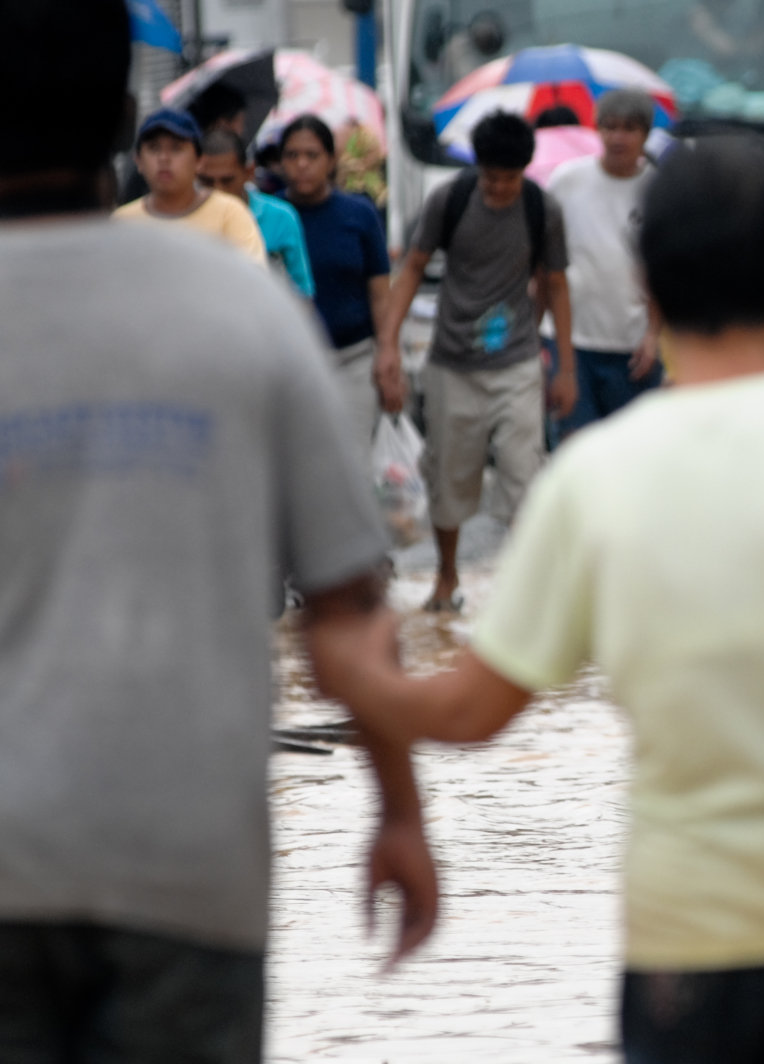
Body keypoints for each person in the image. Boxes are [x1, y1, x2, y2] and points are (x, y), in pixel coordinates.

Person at [307, 135, 764, 1064]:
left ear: (647, 283)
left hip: (691, 947)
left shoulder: (595, 475)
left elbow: (468, 711)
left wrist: (360, 667)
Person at [0, 2, 434, 1058]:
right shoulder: (244, 315)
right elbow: (346, 610)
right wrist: (400, 813)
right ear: (126, 120)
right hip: (190, 867)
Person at [379, 111, 577, 613]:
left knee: (523, 473)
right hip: (452, 363)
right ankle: (446, 578)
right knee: (450, 474)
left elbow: (555, 283)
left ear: (524, 171)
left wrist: (565, 366)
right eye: (492, 177)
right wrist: (389, 347)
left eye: (510, 178)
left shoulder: (541, 208)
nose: (500, 188)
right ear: (478, 168)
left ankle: (529, 587)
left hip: (517, 364)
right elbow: (412, 268)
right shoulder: (450, 199)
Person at [544, 89, 663, 445]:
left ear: (644, 134)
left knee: (634, 450)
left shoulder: (657, 189)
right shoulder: (567, 181)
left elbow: (665, 268)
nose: (617, 138)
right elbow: (547, 264)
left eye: (628, 129)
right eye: (609, 128)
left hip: (634, 345)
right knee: (574, 446)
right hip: (573, 342)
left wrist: (654, 333)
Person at [281, 115, 392, 452]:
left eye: (312, 155)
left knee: (353, 466)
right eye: (292, 155)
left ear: (331, 160)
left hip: (353, 362)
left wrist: (388, 352)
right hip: (289, 364)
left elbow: (380, 293)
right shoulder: (270, 215)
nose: (302, 164)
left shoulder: (359, 214)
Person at [115, 108, 266, 265]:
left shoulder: (230, 214)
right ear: (138, 160)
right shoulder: (121, 222)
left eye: (176, 148)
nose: (164, 158)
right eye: (154, 148)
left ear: (199, 160)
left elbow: (250, 279)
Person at [198, 127, 315, 297]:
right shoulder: (187, 219)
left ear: (248, 172)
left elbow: (302, 293)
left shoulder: (281, 217)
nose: (218, 191)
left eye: (227, 180)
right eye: (207, 181)